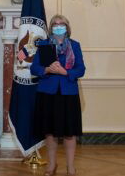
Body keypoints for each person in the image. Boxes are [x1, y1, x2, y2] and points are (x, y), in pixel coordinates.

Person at [30, 14, 85, 176]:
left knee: (69, 132)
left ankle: (70, 167)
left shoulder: (75, 45)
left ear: (67, 27)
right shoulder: (44, 45)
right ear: (50, 27)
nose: (58, 26)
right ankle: (51, 166)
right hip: (48, 92)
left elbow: (81, 69)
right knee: (50, 132)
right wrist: (46, 70)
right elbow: (34, 68)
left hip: (68, 92)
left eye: (61, 24)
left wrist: (65, 71)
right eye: (55, 23)